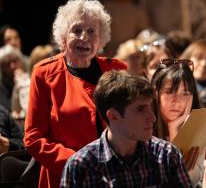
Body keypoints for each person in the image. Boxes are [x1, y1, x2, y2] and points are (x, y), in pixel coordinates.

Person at [23, 0, 127, 188]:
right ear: (63, 37)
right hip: (66, 177)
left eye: (91, 31)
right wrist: (78, 162)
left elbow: (131, 120)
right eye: (76, 30)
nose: (84, 37)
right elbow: (34, 138)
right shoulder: (44, 73)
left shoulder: (118, 70)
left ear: (100, 37)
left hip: (116, 175)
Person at [60, 70, 192, 187]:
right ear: (114, 116)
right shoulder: (82, 166)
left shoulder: (166, 155)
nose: (152, 117)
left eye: (150, 107)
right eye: (140, 109)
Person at [151, 59, 203, 186]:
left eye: (184, 93)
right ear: (155, 92)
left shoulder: (198, 129)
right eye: (169, 92)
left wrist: (174, 128)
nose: (176, 101)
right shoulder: (142, 131)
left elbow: (192, 181)